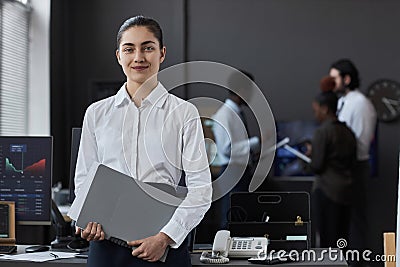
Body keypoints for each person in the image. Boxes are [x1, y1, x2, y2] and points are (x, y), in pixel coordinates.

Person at [73, 16, 212, 266]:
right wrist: (87, 218)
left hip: (162, 246)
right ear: (118, 56)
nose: (138, 57)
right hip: (106, 246)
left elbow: (201, 189)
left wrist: (165, 237)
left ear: (162, 53)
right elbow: (84, 178)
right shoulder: (97, 113)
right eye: (129, 49)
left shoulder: (183, 113)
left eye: (148, 48)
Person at [329, 59, 377, 260]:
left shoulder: (360, 103)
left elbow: (359, 142)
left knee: (355, 220)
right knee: (341, 220)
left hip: (354, 167)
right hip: (342, 168)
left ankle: (356, 262)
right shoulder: (343, 102)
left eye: (334, 79)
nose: (331, 83)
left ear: (346, 79)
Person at [308, 76, 357, 248]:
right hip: (346, 191)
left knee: (328, 242)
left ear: (325, 109)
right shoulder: (348, 132)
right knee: (342, 240)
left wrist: (309, 155)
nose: (315, 114)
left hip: (327, 192)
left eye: (316, 110)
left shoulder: (323, 132)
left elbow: (317, 166)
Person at [210, 70, 260, 229]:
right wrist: (256, 142)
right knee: (231, 217)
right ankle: (225, 252)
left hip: (240, 171)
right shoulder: (225, 114)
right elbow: (226, 149)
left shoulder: (235, 113)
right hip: (232, 172)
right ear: (242, 91)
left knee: (239, 217)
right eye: (251, 90)